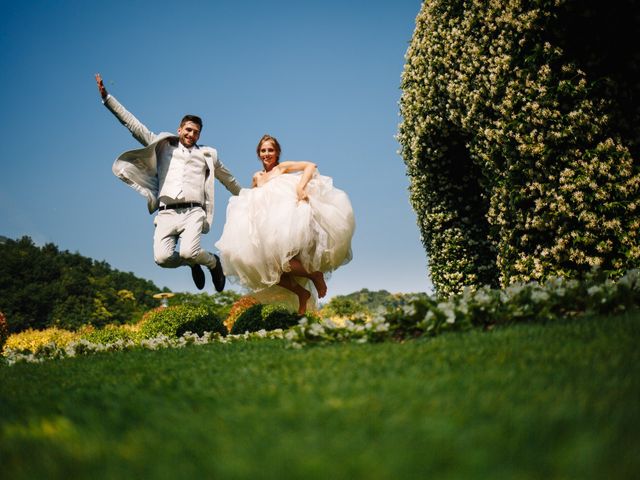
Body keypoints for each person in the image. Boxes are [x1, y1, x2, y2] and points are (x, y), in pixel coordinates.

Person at [95, 73, 241, 292]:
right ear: (179, 129)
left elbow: (227, 178)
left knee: (188, 251)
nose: (191, 134)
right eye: (188, 130)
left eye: (196, 132)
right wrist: (108, 99)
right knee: (162, 258)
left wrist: (246, 195)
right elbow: (133, 125)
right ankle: (194, 263)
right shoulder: (162, 147)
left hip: (193, 211)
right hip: (166, 212)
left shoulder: (208, 155)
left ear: (199, 136)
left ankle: (212, 262)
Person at [215, 134, 355, 314]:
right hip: (264, 227)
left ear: (277, 152)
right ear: (259, 153)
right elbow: (253, 200)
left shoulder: (282, 168)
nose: (267, 153)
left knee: (283, 262)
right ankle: (301, 293)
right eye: (263, 150)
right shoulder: (257, 177)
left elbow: (310, 166)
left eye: (270, 150)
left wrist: (300, 187)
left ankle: (314, 274)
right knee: (263, 270)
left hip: (283, 222)